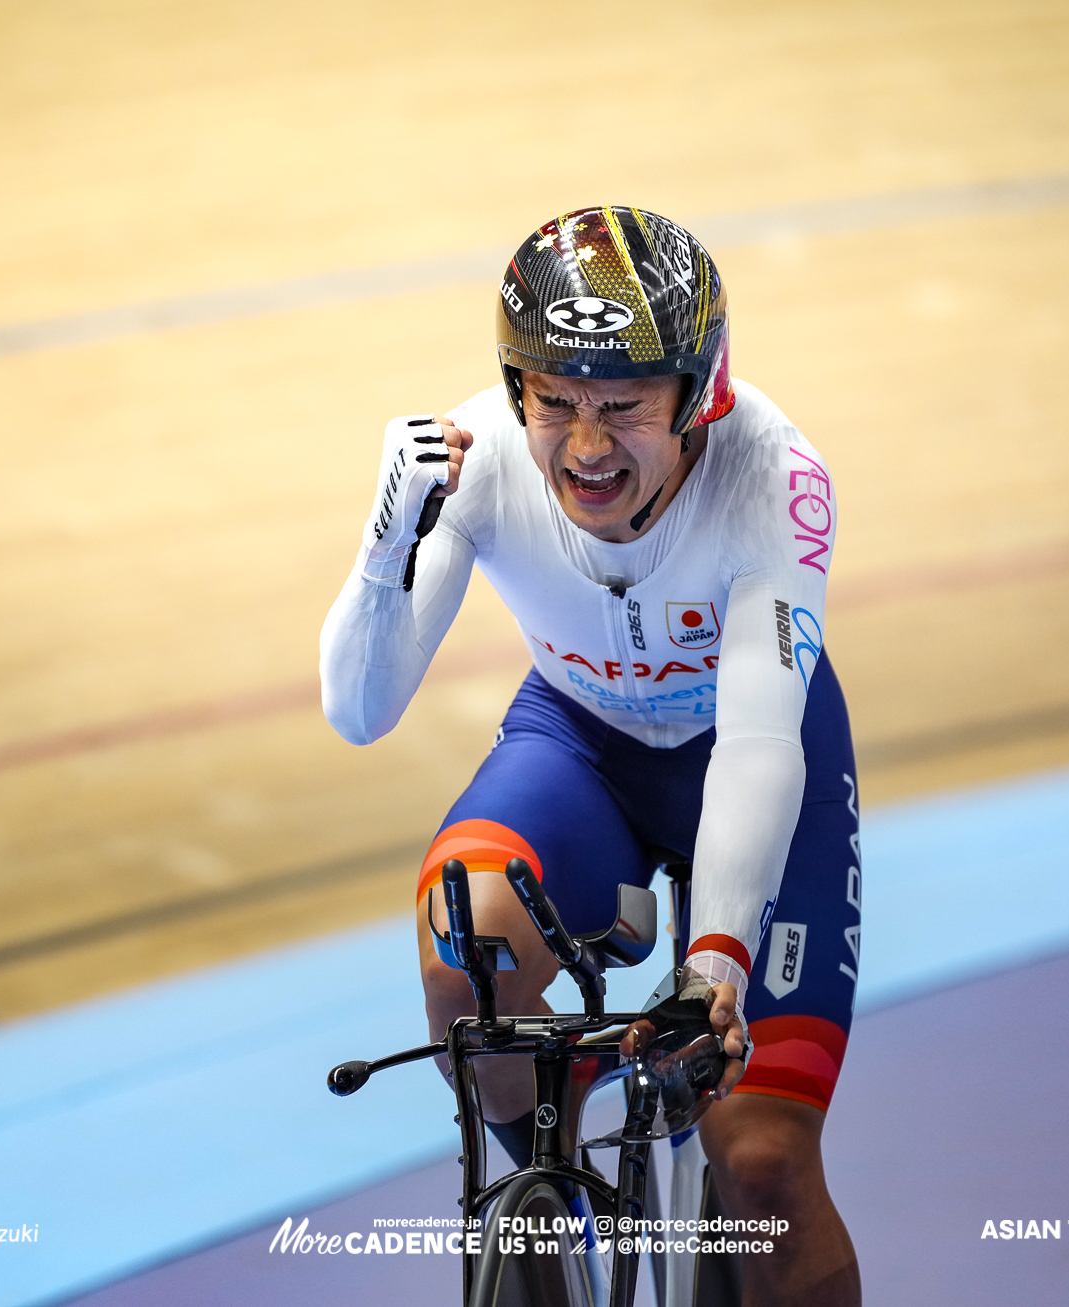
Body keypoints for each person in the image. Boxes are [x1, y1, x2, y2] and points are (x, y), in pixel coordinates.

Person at [319, 205, 861, 1305]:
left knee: (760, 1162)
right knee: (460, 936)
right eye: (553, 402)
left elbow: (758, 741)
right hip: (581, 745)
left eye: (623, 405)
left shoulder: (774, 481)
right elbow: (359, 711)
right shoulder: (476, 459)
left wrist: (713, 965)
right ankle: (541, 1200)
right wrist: (387, 544)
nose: (584, 445)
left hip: (752, 756)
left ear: (699, 390)